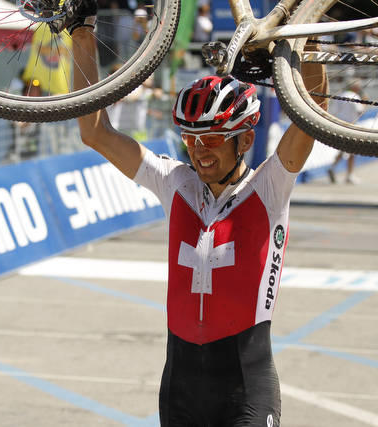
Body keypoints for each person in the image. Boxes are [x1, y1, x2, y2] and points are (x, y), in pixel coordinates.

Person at [66, 2, 327, 425]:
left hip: (246, 388)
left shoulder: (270, 186)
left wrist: (307, 35)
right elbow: (95, 132)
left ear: (245, 141)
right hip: (180, 388)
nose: (199, 151)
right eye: (191, 139)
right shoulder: (175, 184)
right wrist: (81, 32)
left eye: (213, 139)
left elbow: (314, 111)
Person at [327, 80, 364, 184]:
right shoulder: (355, 96)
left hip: (340, 125)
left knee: (343, 149)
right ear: (355, 87)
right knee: (352, 151)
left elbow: (333, 111)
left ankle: (333, 167)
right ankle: (349, 175)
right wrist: (365, 101)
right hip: (351, 126)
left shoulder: (340, 95)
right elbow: (360, 111)